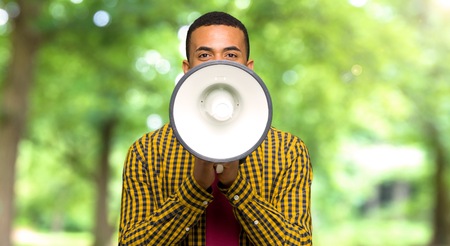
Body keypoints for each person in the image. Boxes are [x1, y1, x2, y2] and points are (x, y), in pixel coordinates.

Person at [118, 11, 313, 245]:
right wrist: (195, 188)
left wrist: (236, 186)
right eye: (204, 55)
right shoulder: (147, 153)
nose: (218, 63)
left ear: (248, 67)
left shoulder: (288, 151)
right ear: (187, 68)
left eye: (231, 54)